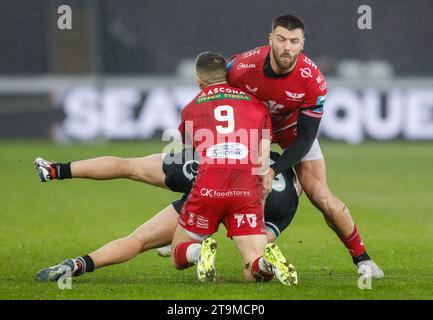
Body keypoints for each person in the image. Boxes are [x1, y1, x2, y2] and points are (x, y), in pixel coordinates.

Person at [35, 14, 383, 278]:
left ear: (302, 44)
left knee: (321, 195)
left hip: (283, 137)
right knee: (247, 234)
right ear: (271, 39)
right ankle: (249, 254)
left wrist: (272, 167)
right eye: (281, 39)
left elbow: (305, 138)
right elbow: (218, 93)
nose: (286, 47)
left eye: (294, 41)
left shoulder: (312, 80)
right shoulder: (243, 66)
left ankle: (362, 259)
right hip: (248, 141)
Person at [35, 53, 299, 285]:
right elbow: (263, 160)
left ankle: (193, 251)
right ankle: (264, 264)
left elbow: (188, 151)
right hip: (250, 192)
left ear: (199, 80)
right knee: (252, 270)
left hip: (207, 186)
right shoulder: (256, 106)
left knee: (157, 241)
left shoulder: (192, 108)